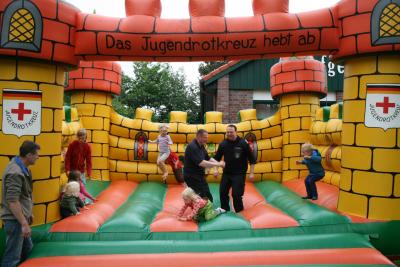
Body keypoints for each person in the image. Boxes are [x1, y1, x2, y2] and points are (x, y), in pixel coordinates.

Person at [1, 141, 40, 267]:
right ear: (29, 155)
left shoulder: (22, 168)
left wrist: (28, 214)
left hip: (21, 219)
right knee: (12, 258)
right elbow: (12, 201)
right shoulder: (15, 172)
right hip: (16, 221)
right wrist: (23, 223)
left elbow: (24, 195)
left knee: (28, 251)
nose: (38, 157)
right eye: (36, 155)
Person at [213, 125, 256, 213]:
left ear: (236, 132)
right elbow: (217, 158)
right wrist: (216, 169)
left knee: (236, 195)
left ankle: (240, 212)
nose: (229, 134)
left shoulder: (243, 143)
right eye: (227, 132)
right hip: (227, 173)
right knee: (223, 192)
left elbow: (252, 159)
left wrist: (251, 173)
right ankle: (225, 210)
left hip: (239, 174)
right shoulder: (223, 144)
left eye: (231, 132)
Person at [184, 129, 224, 202]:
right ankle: (201, 211)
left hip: (199, 175)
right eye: (205, 137)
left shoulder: (201, 145)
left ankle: (206, 208)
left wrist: (219, 165)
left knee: (207, 195)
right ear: (199, 137)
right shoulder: (193, 147)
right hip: (191, 177)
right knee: (202, 196)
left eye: (207, 137)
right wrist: (218, 164)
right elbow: (202, 163)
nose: (207, 139)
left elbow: (208, 158)